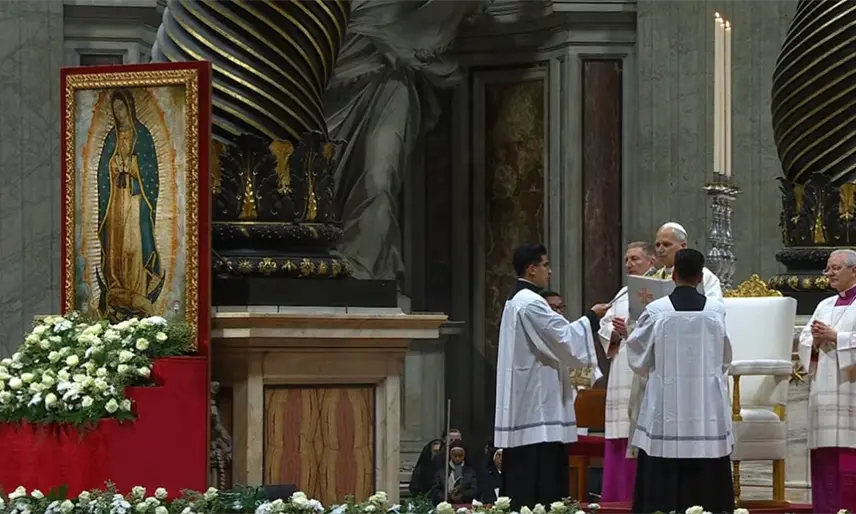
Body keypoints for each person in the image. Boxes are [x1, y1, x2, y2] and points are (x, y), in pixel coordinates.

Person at [494, 243, 610, 509]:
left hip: (528, 400)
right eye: (545, 265)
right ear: (531, 268)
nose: (549, 271)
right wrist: (592, 317)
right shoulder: (531, 303)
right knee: (541, 481)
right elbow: (565, 338)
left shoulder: (515, 300)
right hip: (538, 408)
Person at [625, 249, 734, 514]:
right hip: (705, 409)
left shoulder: (656, 310)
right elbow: (725, 359)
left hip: (666, 408)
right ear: (700, 277)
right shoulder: (715, 311)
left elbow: (638, 357)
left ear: (673, 275)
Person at [797, 248, 856, 511]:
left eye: (835, 268)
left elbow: (839, 337)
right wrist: (816, 341)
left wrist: (837, 338)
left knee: (848, 463)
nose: (829, 273)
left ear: (854, 270)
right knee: (824, 461)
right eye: (827, 269)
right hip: (823, 393)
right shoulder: (824, 305)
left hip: (850, 390)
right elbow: (805, 340)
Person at [598, 241, 656, 502]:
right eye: (626, 259)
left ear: (651, 262)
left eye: (635, 259)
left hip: (644, 369)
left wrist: (630, 331)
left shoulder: (659, 292)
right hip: (622, 365)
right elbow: (604, 326)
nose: (629, 264)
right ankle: (615, 496)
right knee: (620, 430)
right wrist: (615, 332)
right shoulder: (622, 294)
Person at [651, 222, 722, 300]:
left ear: (683, 246)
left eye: (666, 244)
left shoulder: (702, 274)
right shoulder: (654, 277)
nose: (660, 250)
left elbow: (714, 306)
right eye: (657, 245)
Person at [430, 440, 479, 505]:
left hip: (464, 505)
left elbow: (474, 490)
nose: (457, 458)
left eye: (460, 455)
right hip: (445, 505)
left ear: (464, 455)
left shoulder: (470, 472)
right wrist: (448, 497)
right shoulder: (441, 472)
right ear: (450, 455)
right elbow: (435, 490)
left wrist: (463, 495)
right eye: (455, 455)